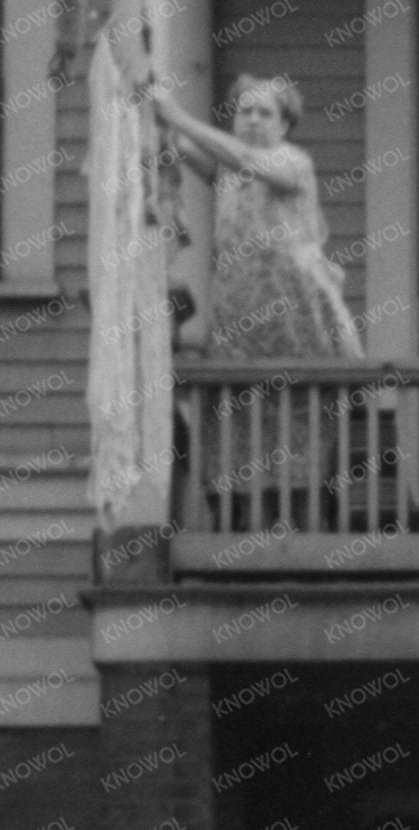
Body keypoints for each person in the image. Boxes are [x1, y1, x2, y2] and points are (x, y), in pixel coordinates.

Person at [145, 74, 366, 523]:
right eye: (244, 110)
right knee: (240, 423)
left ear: (285, 125)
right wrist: (154, 121)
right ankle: (251, 538)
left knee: (299, 421)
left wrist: (177, 116)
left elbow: (242, 156)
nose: (252, 119)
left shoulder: (292, 161)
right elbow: (189, 152)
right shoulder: (230, 167)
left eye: (265, 112)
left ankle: (302, 544)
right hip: (242, 317)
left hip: (296, 314)